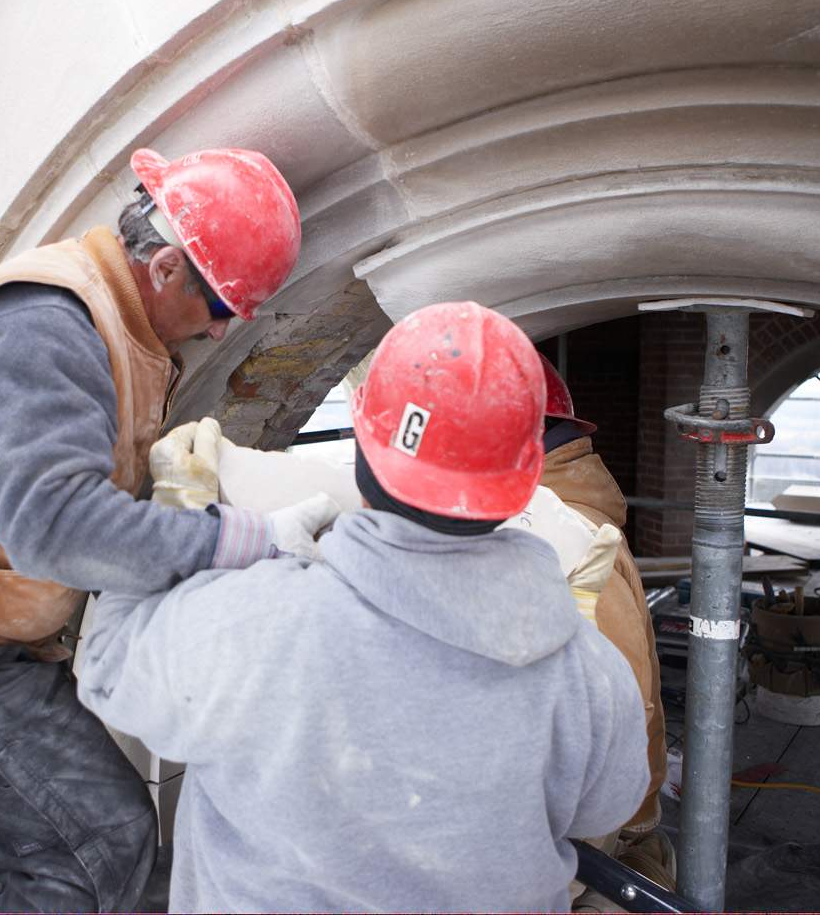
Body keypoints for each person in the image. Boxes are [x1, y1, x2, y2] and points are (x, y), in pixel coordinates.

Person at [0, 147, 339, 912]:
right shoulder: (45, 326)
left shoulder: (110, 320)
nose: (221, 337)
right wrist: (241, 536)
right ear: (165, 269)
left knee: (107, 849)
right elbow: (50, 527)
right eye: (221, 309)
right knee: (96, 848)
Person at [77, 301, 649, 912]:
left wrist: (179, 526)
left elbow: (107, 660)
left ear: (363, 436)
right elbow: (608, 807)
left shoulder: (253, 623)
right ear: (524, 474)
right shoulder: (586, 670)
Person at [536, 356, 674, 889]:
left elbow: (624, 698)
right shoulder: (557, 514)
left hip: (575, 821)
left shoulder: (559, 535)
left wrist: (630, 815)